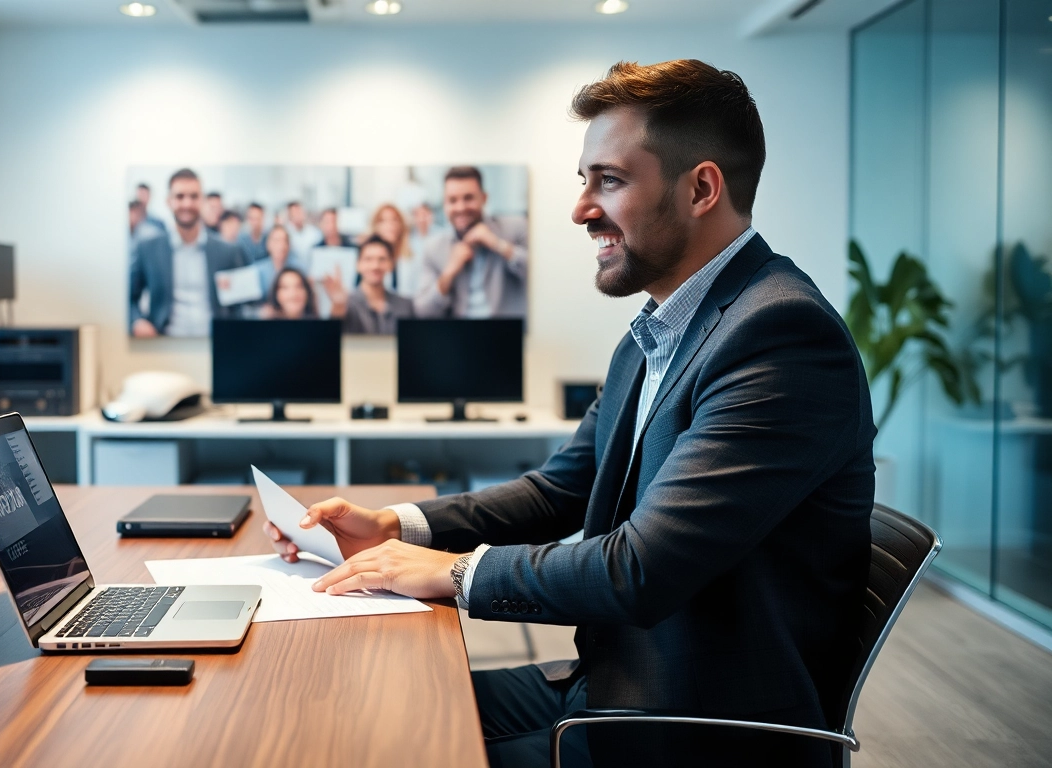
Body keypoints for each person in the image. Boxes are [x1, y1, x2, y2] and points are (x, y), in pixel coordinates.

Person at [264, 59, 874, 768]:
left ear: (702, 187)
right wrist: (395, 527)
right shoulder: (660, 330)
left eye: (608, 181)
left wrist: (449, 572)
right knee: (355, 714)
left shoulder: (780, 337)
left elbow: (640, 569)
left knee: (377, 749)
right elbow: (563, 491)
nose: (582, 208)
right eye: (584, 181)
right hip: (613, 688)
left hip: (693, 731)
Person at [130, 168, 247, 338]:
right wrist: (137, 321)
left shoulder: (227, 251)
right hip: (162, 345)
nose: (187, 204)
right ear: (168, 201)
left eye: (194, 196)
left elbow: (240, 306)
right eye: (180, 197)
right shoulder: (148, 248)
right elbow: (129, 298)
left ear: (202, 201)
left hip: (217, 345)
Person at [414, 167, 528, 318]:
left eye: (468, 198)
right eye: (453, 200)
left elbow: (540, 276)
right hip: (458, 338)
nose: (460, 207)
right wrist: (449, 272)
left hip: (508, 336)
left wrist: (498, 244)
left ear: (484, 198)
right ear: (444, 204)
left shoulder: (515, 227)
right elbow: (423, 311)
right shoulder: (434, 248)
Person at [322, 235, 414, 335]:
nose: (375, 265)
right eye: (368, 259)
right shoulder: (348, 303)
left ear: (391, 264)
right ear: (358, 264)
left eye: (382, 259)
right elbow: (334, 328)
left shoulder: (404, 305)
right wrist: (338, 303)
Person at [365, 203, 416, 297]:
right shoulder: (366, 258)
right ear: (375, 225)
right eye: (383, 221)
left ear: (401, 225)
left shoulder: (411, 258)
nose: (390, 225)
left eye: (394, 220)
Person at [255, 224, 305, 296]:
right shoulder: (258, 270)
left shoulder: (298, 269)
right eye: (276, 240)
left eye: (284, 241)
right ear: (268, 244)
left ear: (289, 245)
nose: (281, 245)